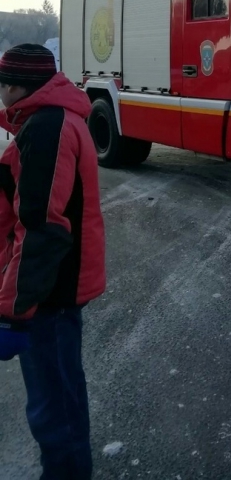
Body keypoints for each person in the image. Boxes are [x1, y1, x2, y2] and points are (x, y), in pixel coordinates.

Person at [0, 43, 106, 479]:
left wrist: (12, 311)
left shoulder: (48, 128)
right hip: (49, 290)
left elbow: (43, 228)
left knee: (54, 409)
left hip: (49, 294)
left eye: (2, 84)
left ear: (18, 87)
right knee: (58, 399)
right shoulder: (46, 121)